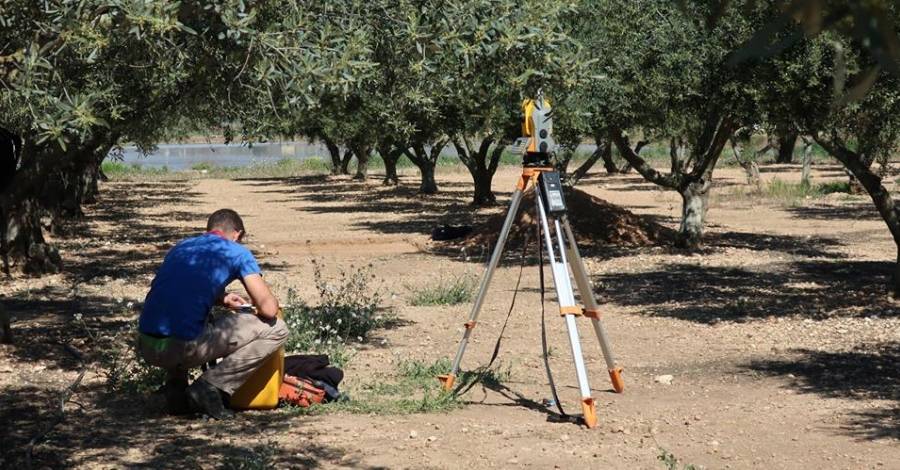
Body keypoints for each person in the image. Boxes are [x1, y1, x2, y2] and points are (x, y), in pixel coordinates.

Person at [138, 208, 288, 419]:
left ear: (209, 230)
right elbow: (269, 309)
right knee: (277, 328)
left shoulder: (181, 248)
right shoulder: (237, 252)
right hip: (182, 348)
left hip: (148, 346)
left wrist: (222, 298)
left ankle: (175, 389)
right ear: (237, 234)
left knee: (185, 312)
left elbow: (179, 290)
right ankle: (210, 385)